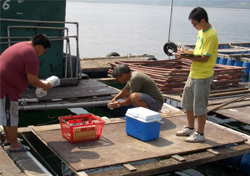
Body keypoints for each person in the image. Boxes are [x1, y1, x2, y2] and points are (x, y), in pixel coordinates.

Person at [0, 33, 52, 151]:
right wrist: (44, 85)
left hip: (3, 85)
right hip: (7, 88)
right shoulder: (31, 55)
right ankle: (14, 145)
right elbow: (32, 80)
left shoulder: (22, 46)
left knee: (6, 114)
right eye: (44, 50)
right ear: (40, 46)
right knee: (11, 116)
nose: (43, 53)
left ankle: (9, 139)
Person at [174, 7, 218, 142]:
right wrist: (186, 52)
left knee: (200, 106)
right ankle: (190, 127)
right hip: (193, 73)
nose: (193, 26)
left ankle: (200, 134)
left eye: (194, 23)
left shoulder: (211, 35)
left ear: (203, 20)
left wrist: (184, 57)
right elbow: (198, 51)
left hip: (203, 76)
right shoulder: (201, 31)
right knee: (187, 102)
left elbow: (204, 57)